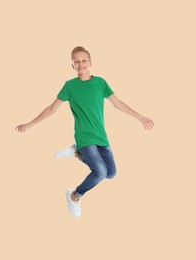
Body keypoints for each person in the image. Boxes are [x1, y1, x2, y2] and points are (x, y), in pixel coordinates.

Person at [15, 46, 154, 218]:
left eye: (84, 60)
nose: (80, 64)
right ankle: (74, 196)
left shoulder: (100, 83)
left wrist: (140, 117)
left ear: (90, 63)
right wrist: (30, 124)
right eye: (76, 61)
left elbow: (117, 103)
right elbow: (52, 109)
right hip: (84, 136)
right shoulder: (70, 86)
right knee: (100, 172)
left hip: (101, 136)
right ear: (72, 65)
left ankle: (76, 153)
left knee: (111, 173)